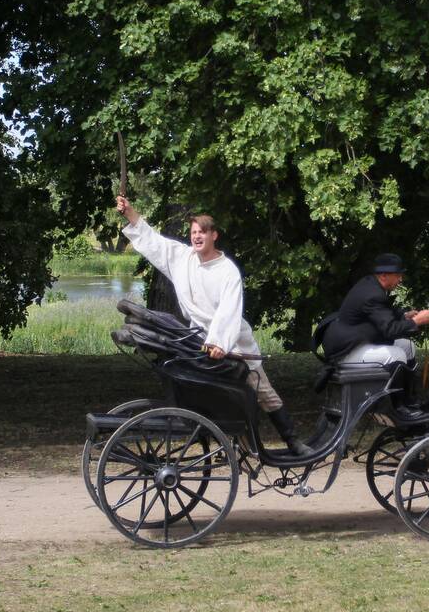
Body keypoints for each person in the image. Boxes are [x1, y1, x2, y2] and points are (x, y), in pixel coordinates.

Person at [115, 195, 311, 456]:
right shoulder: (182, 259)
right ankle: (224, 436)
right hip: (200, 342)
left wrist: (219, 342)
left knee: (264, 393)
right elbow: (155, 244)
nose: (196, 237)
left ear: (214, 236)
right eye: (194, 232)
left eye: (202, 233)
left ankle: (293, 442)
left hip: (233, 345)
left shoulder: (227, 271)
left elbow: (228, 312)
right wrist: (130, 213)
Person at [320, 253, 429, 419]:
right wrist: (417, 321)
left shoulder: (370, 284)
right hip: (345, 351)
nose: (400, 279)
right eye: (398, 275)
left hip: (355, 342)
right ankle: (399, 408)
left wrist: (404, 315)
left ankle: (410, 400)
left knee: (407, 346)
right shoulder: (373, 295)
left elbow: (381, 314)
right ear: (384, 275)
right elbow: (390, 330)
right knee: (398, 354)